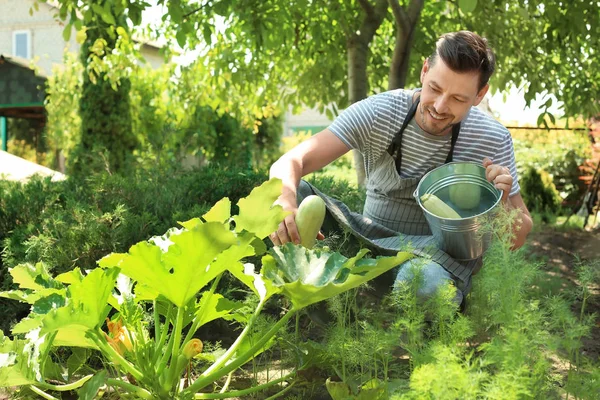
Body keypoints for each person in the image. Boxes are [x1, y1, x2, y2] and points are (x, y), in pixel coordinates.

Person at [268, 30, 533, 306]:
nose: (440, 106)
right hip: (364, 244)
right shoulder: (380, 112)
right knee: (288, 192)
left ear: (480, 95)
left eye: (458, 99)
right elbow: (289, 162)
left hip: (435, 259)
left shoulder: (491, 138)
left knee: (422, 283)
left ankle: (426, 334)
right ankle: (300, 309)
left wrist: (500, 204)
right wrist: (284, 200)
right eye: (435, 88)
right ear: (424, 70)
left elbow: (517, 238)